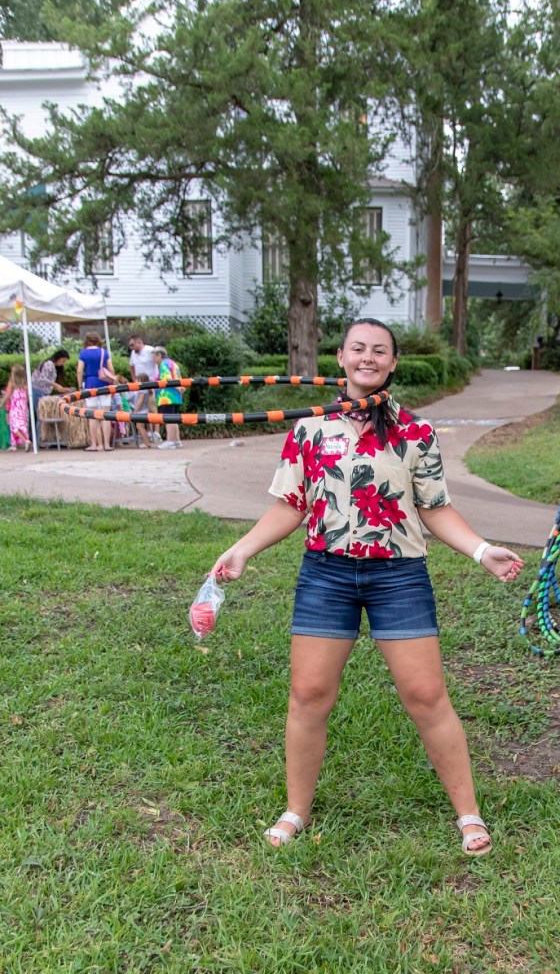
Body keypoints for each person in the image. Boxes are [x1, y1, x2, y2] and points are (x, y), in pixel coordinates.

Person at [211, 318, 524, 856]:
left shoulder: (415, 432)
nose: (368, 358)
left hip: (397, 576)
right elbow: (291, 505)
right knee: (309, 695)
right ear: (341, 357)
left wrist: (480, 550)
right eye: (358, 349)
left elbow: (435, 507)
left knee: (426, 696)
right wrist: (242, 549)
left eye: (380, 351)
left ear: (393, 363)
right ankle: (296, 810)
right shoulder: (309, 428)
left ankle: (468, 813)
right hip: (326, 574)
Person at [76, 331, 114, 452]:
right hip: (104, 384)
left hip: (90, 384)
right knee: (105, 414)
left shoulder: (84, 353)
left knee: (92, 416)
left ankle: (95, 444)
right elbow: (111, 369)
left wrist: (80, 386)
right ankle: (107, 444)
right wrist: (112, 384)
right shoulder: (104, 352)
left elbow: (79, 371)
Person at [31, 348, 71, 439]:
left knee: (41, 415)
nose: (63, 363)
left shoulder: (51, 365)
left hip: (42, 391)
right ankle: (37, 439)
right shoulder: (49, 364)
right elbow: (43, 378)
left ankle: (40, 438)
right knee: (41, 415)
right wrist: (56, 386)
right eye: (63, 361)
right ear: (59, 358)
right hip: (38, 391)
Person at [152, 346, 183, 449]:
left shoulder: (163, 364)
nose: (153, 358)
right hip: (175, 396)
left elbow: (167, 379)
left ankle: (170, 440)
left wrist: (178, 388)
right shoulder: (173, 363)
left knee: (168, 418)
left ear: (159, 355)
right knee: (174, 418)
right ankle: (176, 440)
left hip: (166, 396)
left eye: (154, 355)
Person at [0, 364, 32, 452]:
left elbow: (8, 395)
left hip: (15, 406)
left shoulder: (12, 382)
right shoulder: (25, 383)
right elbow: (28, 396)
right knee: (22, 425)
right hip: (23, 407)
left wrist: (2, 404)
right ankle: (15, 443)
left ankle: (26, 441)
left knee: (13, 425)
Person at [130, 372, 155, 448]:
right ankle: (146, 442)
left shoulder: (142, 390)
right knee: (141, 427)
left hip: (141, 411)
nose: (136, 381)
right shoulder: (146, 390)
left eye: (137, 380)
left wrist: (135, 411)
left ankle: (147, 443)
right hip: (144, 410)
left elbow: (140, 401)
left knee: (140, 427)